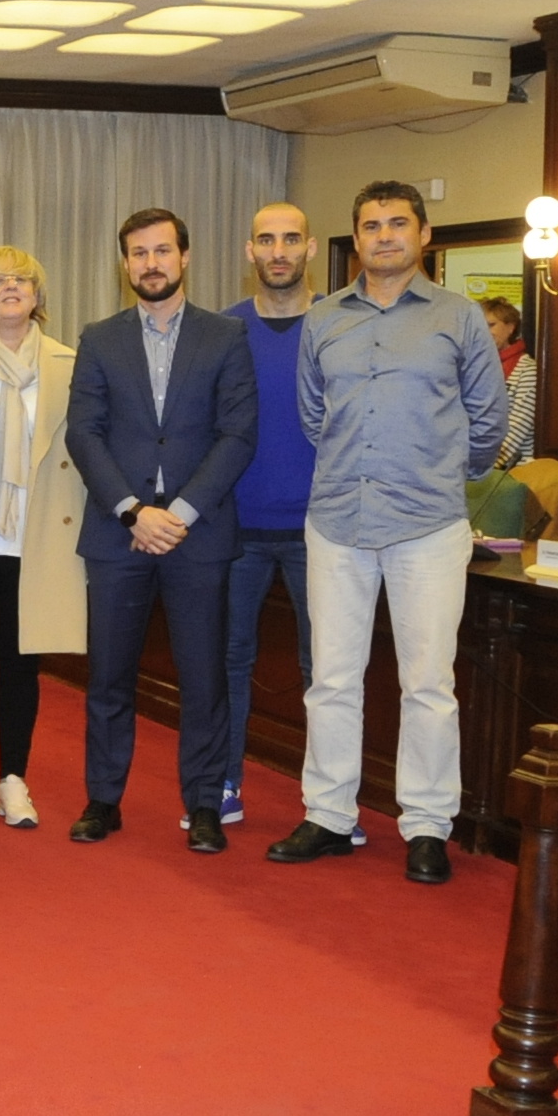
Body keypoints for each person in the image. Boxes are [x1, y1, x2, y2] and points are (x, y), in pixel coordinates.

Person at [272, 181, 507, 886]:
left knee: (428, 683)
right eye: (371, 226)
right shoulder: (323, 319)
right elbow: (314, 416)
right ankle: (329, 814)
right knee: (332, 680)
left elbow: (488, 420)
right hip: (337, 521)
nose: (384, 237)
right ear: (356, 239)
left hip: (427, 526)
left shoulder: (458, 317)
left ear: (424, 234)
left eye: (397, 223)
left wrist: (439, 473)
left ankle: (428, 825)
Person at [66, 207, 257, 855]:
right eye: (139, 253)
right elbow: (83, 434)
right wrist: (132, 511)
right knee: (108, 676)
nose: (151, 263)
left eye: (162, 251)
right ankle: (102, 799)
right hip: (117, 533)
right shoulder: (99, 337)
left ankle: (204, 804)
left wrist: (179, 513)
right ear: (125, 264)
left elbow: (238, 434)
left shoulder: (225, 335)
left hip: (198, 535)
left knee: (204, 679)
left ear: (185, 256)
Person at [0, 247, 85, 831]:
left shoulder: (68, 362)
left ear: (38, 295)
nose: (10, 287)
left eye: (22, 280)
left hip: (38, 531)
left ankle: (12, 780)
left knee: (22, 661)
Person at [218, 202, 321, 836]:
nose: (278, 251)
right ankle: (223, 782)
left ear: (310, 248)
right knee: (228, 662)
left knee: (326, 672)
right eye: (265, 240)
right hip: (237, 529)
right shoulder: (223, 330)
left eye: (290, 239)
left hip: (323, 533)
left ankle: (329, 802)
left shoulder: (340, 325)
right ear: (249, 251)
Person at [485, 297, 538, 469]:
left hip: (514, 469)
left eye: (491, 325)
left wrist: (485, 467)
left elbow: (518, 426)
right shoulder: (473, 368)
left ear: (510, 327)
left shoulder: (527, 369)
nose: (484, 331)